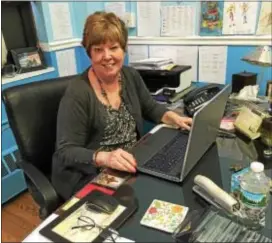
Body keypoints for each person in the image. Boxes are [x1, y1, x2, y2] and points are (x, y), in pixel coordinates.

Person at [52, 11, 192, 200]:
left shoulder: (130, 75)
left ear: (123, 49)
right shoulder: (77, 92)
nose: (107, 56)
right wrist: (105, 157)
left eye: (113, 47)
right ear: (89, 53)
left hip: (132, 163)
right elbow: (65, 151)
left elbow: (150, 107)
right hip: (93, 174)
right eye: (98, 49)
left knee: (175, 187)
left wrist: (171, 117)